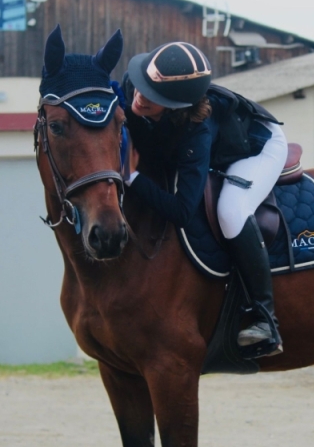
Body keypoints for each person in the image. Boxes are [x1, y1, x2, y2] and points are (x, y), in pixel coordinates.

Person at [123, 41, 288, 358]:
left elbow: (183, 211)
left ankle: (265, 317)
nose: (140, 97)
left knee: (231, 211)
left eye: (153, 97)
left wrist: (133, 177)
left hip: (259, 147)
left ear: (175, 106)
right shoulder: (138, 86)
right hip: (221, 139)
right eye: (142, 86)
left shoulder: (196, 132)